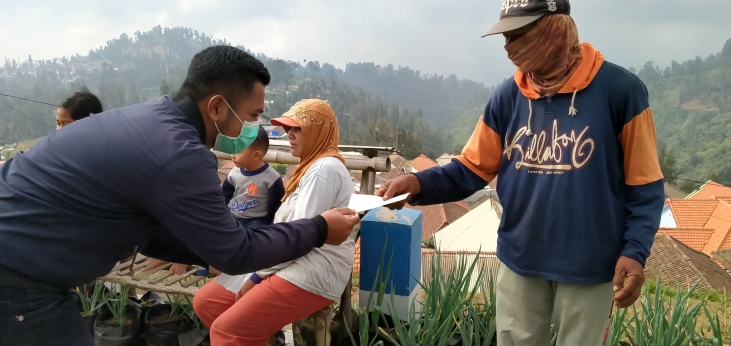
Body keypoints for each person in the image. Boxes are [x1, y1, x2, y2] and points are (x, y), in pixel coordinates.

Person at [0, 46, 358, 346]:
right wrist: (319, 230)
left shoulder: (152, 120)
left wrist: (209, 245)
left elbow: (153, 231)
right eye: (252, 117)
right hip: (18, 279)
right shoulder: (180, 153)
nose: (253, 130)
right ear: (216, 107)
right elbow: (236, 253)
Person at [377, 1, 664, 345]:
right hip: (520, 257)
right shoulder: (508, 97)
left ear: (554, 29)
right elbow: (470, 168)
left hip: (590, 263)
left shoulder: (620, 91)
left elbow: (644, 183)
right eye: (506, 36)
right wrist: (418, 182)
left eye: (518, 34)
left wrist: (634, 251)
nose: (508, 47)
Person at [194, 99, 356, 346]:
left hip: (310, 270)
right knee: (207, 303)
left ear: (319, 130)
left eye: (298, 128)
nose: (289, 134)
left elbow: (301, 238)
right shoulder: (311, 165)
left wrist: (257, 277)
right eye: (288, 128)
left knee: (227, 333)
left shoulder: (324, 169)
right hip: (285, 259)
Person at [146, 125, 284, 275]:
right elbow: (223, 197)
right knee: (209, 233)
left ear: (256, 155)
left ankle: (223, 268)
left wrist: (270, 226)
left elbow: (276, 207)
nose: (232, 154)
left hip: (256, 221)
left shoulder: (272, 178)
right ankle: (186, 259)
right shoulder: (235, 173)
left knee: (253, 241)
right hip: (232, 217)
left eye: (238, 150)